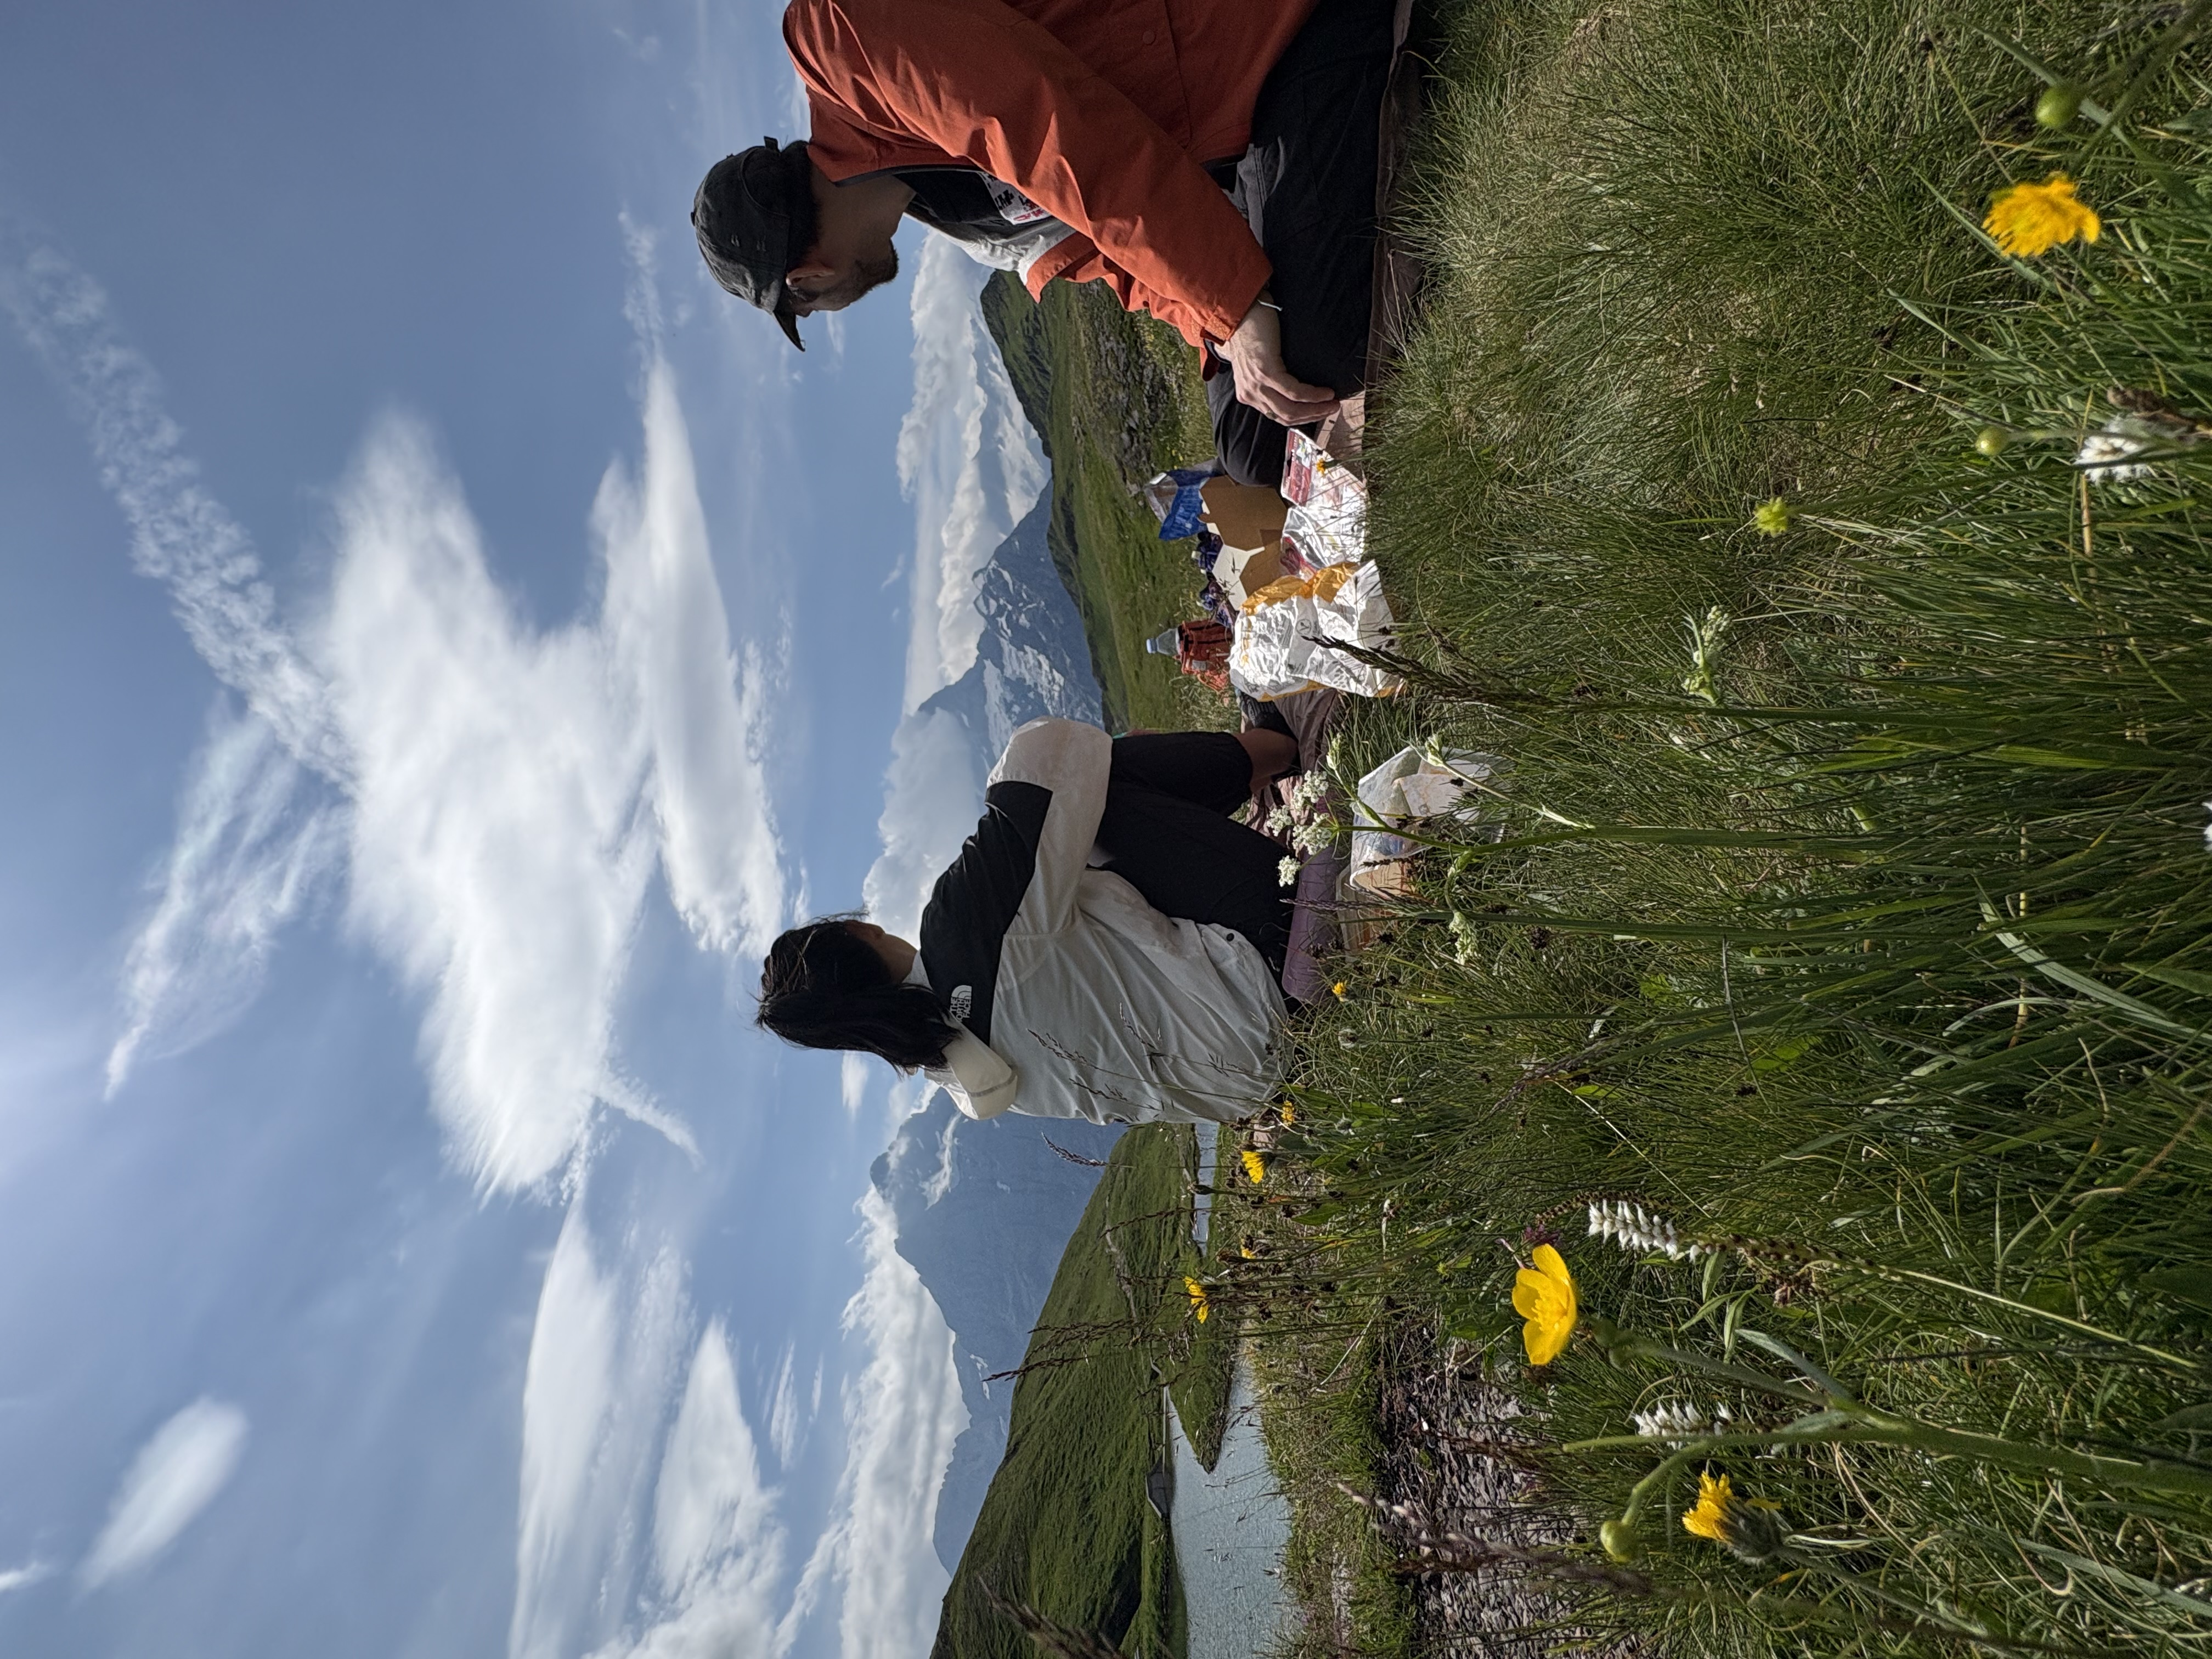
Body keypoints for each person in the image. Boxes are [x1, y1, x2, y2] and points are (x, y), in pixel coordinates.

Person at [690, 0, 1404, 489]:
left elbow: (1056, 135)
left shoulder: (842, 38)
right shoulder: (961, 224)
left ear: (808, 279)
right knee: (1255, 446)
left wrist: (1240, 302)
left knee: (1318, 351)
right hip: (1230, 139)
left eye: (805, 310)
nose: (821, 309)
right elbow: (1120, 268)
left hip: (1258, 39)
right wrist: (1222, 337)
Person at [757, 718, 1301, 1124]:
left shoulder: (966, 1079)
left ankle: (1263, 758)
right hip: (1270, 972)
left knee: (1074, 850)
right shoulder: (960, 931)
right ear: (858, 931)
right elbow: (1044, 763)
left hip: (1271, 1084)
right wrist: (1105, 757)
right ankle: (1278, 745)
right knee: (1098, 785)